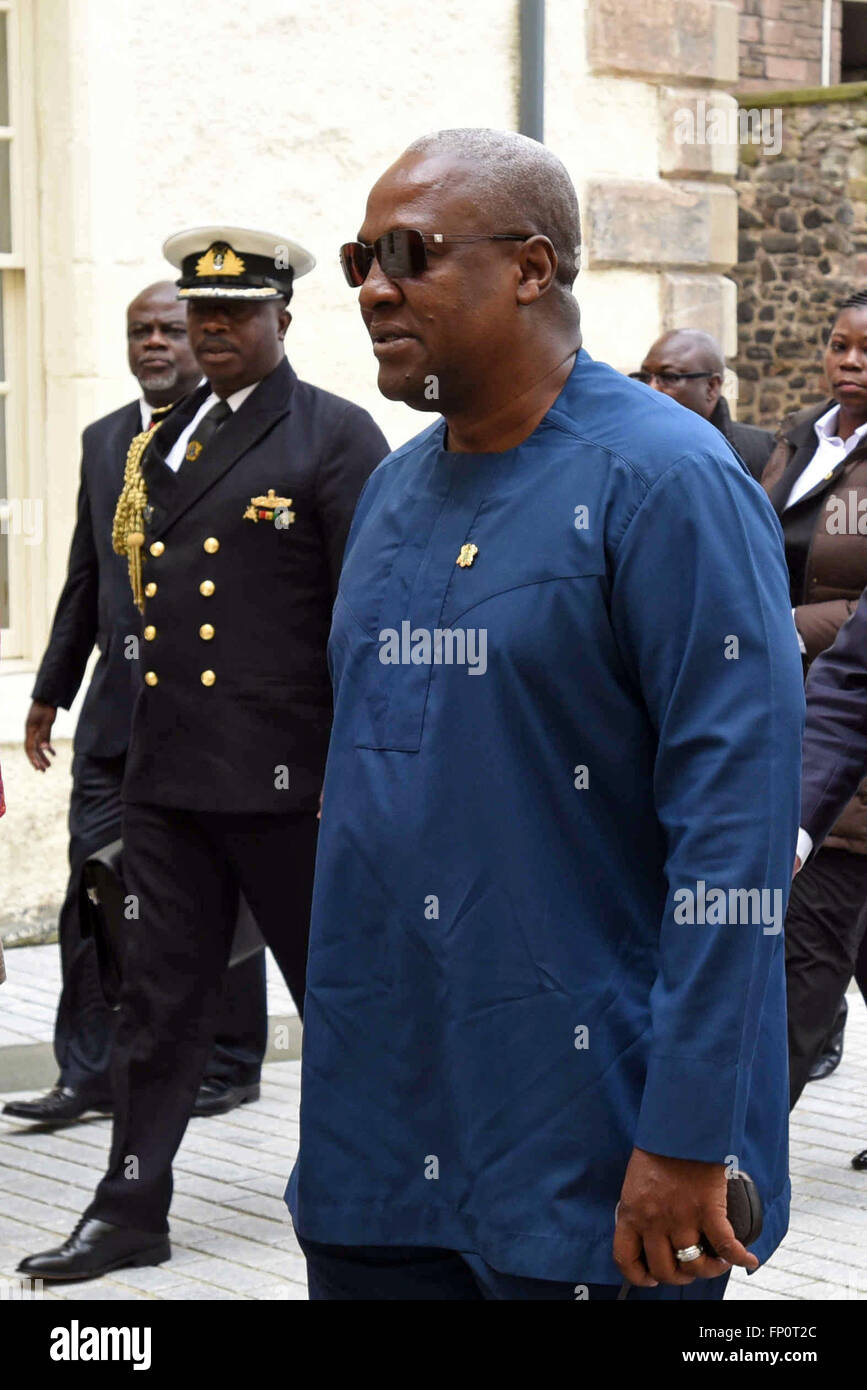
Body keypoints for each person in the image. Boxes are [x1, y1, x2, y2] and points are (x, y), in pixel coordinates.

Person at [285, 129, 804, 1301]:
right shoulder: (391, 492)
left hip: (596, 1149)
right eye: (360, 255)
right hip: (381, 1144)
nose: (371, 285)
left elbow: (736, 841)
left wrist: (689, 1134)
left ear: (531, 268)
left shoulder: (670, 485)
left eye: (409, 253)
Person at [17, 228, 389, 1282]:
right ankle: (130, 1206)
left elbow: (367, 625)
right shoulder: (160, 441)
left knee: (346, 1005)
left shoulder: (333, 436)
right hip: (172, 784)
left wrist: (356, 780)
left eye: (234, 315)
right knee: (156, 1004)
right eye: (199, 315)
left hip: (292, 790)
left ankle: (387, 1194)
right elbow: (124, 590)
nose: (211, 331)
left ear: (282, 319)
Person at [3, 282, 269, 1127]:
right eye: (139, 332)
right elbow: (88, 577)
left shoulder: (235, 437)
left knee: (216, 890)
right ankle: (84, 1070)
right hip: (114, 718)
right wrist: (50, 689)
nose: (154, 344)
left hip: (209, 719)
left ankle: (229, 1063)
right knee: (92, 890)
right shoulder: (103, 441)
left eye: (169, 330)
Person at [762, 290, 867, 1102]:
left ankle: (742, 1150)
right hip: (789, 715)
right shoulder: (800, 438)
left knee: (809, 952)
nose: (849, 361)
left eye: (866, 350)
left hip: (837, 724)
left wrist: (790, 626)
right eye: (838, 344)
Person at [792, 584, 867, 1168]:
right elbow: (851, 687)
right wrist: (797, 826)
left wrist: (791, 619)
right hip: (837, 827)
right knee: (792, 991)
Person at [633, 329, 774, 481]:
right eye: (644, 377)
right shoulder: (624, 451)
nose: (651, 388)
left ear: (711, 387)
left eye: (670, 377)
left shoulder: (766, 454)